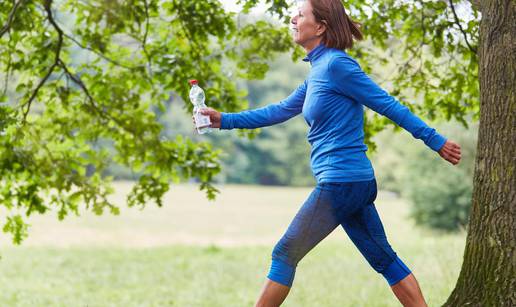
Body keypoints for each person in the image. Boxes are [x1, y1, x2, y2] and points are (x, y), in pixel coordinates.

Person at [197, 0, 462, 306]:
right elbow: (280, 110)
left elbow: (387, 104)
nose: (293, 18)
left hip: (342, 182)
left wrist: (435, 140)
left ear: (320, 26)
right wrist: (224, 120)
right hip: (353, 183)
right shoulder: (318, 72)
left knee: (285, 253)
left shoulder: (338, 66)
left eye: (300, 13)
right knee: (383, 258)